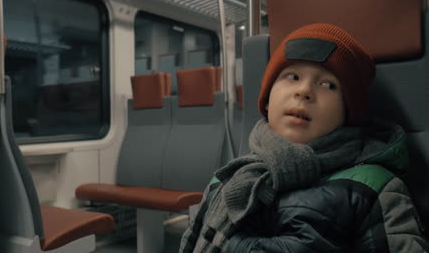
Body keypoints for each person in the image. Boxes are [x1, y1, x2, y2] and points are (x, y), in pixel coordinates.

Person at [179, 23, 429, 252]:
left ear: (347, 111)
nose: (304, 91)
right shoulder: (229, 177)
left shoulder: (373, 187)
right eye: (293, 77)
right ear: (268, 98)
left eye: (328, 85)